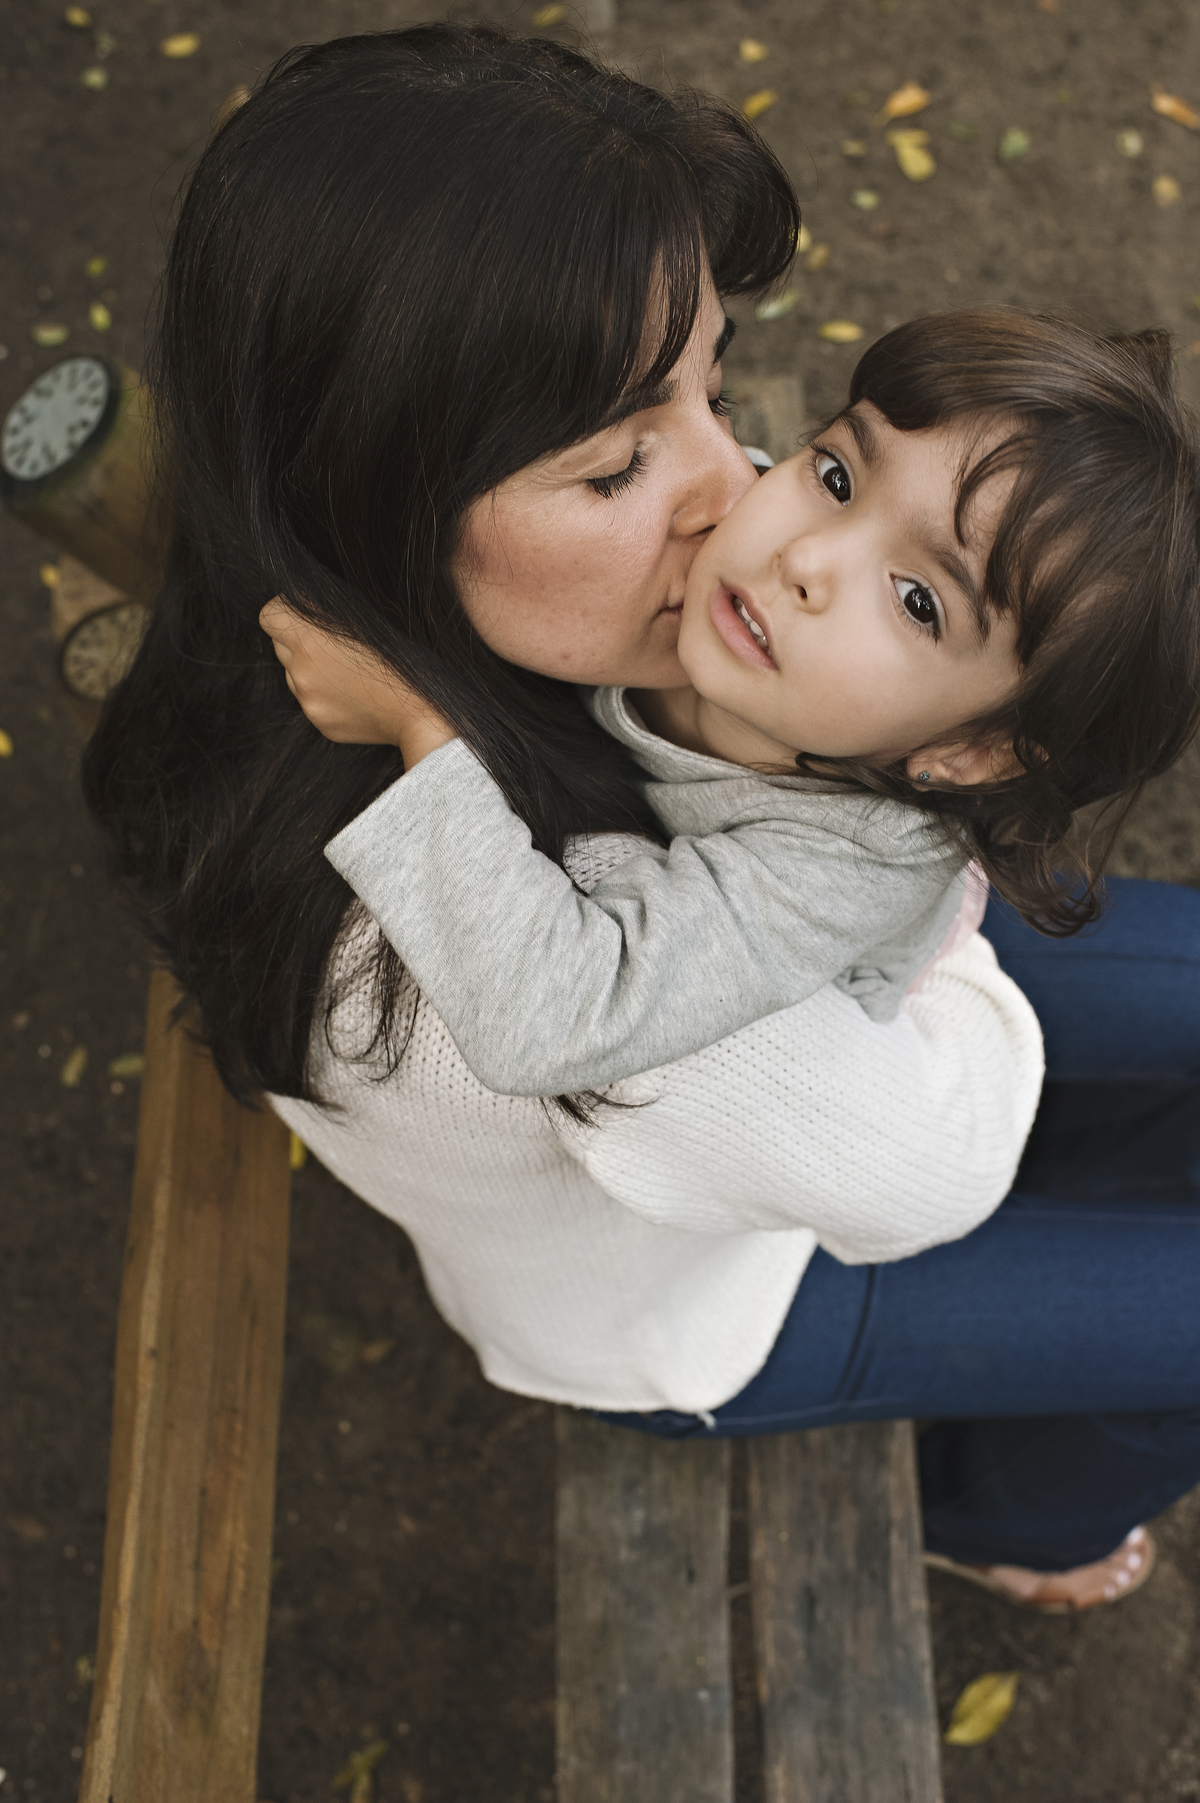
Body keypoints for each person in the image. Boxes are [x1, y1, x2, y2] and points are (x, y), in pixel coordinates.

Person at [82, 22, 1200, 1616]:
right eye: (618, 463)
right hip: (725, 1293)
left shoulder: (313, 617)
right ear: (378, 503)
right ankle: (1008, 1508)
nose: (735, 484)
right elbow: (933, 1168)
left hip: (807, 1014)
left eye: (719, 384)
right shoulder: (495, 945)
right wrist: (952, 959)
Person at [261, 308, 1200, 1103]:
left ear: (973, 748)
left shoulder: (848, 860)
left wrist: (423, 727)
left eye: (919, 601)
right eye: (836, 475)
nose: (806, 558)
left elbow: (554, 1017)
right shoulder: (747, 566)